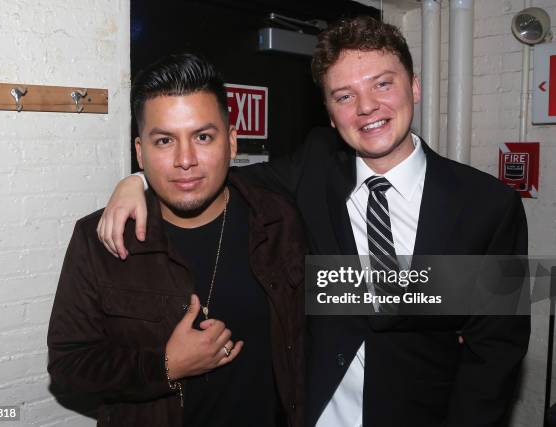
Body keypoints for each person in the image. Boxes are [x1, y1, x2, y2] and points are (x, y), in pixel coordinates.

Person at [96, 17, 529, 427]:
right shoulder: (314, 166)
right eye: (344, 96)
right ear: (329, 110)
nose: (366, 107)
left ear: (413, 86)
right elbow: (205, 174)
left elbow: (495, 355)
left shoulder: (488, 205)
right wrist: (137, 180)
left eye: (382, 83)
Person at [47, 53, 306, 427]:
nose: (185, 159)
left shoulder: (280, 220)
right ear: (140, 153)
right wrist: (165, 366)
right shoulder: (98, 238)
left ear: (232, 143)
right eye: (165, 140)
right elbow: (68, 366)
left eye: (203, 136)